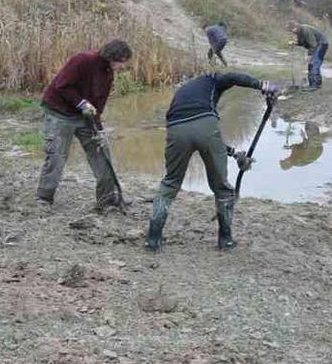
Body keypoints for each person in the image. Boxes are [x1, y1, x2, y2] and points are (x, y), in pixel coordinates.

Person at [146, 72, 278, 252]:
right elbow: (233, 78)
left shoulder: (184, 92)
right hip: (205, 126)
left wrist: (232, 152)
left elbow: (193, 130)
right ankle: (226, 241)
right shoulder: (212, 79)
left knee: (170, 183)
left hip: (175, 130)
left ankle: (152, 240)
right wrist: (262, 85)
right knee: (222, 188)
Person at [36, 39, 133, 210]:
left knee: (102, 153)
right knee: (56, 155)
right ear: (113, 57)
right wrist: (81, 103)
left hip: (85, 117)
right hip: (60, 113)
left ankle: (107, 198)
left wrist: (98, 128)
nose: (122, 67)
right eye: (122, 62)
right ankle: (44, 197)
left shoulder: (108, 73)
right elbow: (62, 85)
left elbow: (98, 104)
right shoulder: (83, 60)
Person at [288, 20, 329, 90]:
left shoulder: (306, 30)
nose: (291, 31)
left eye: (292, 29)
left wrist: (309, 56)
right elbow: (302, 42)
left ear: (296, 27)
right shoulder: (299, 32)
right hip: (316, 45)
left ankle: (314, 85)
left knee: (314, 63)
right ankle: (314, 83)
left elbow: (313, 44)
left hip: (321, 44)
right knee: (311, 64)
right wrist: (294, 43)